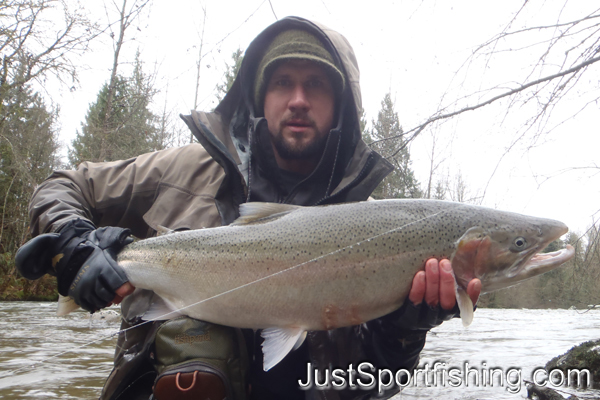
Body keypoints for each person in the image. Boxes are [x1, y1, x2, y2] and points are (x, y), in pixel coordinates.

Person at [16, 16, 480, 400]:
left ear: (341, 106)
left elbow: (367, 386)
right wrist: (74, 242)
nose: (299, 100)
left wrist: (403, 331)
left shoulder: (374, 224)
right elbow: (64, 186)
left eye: (316, 84)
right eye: (283, 82)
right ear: (260, 97)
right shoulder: (178, 172)